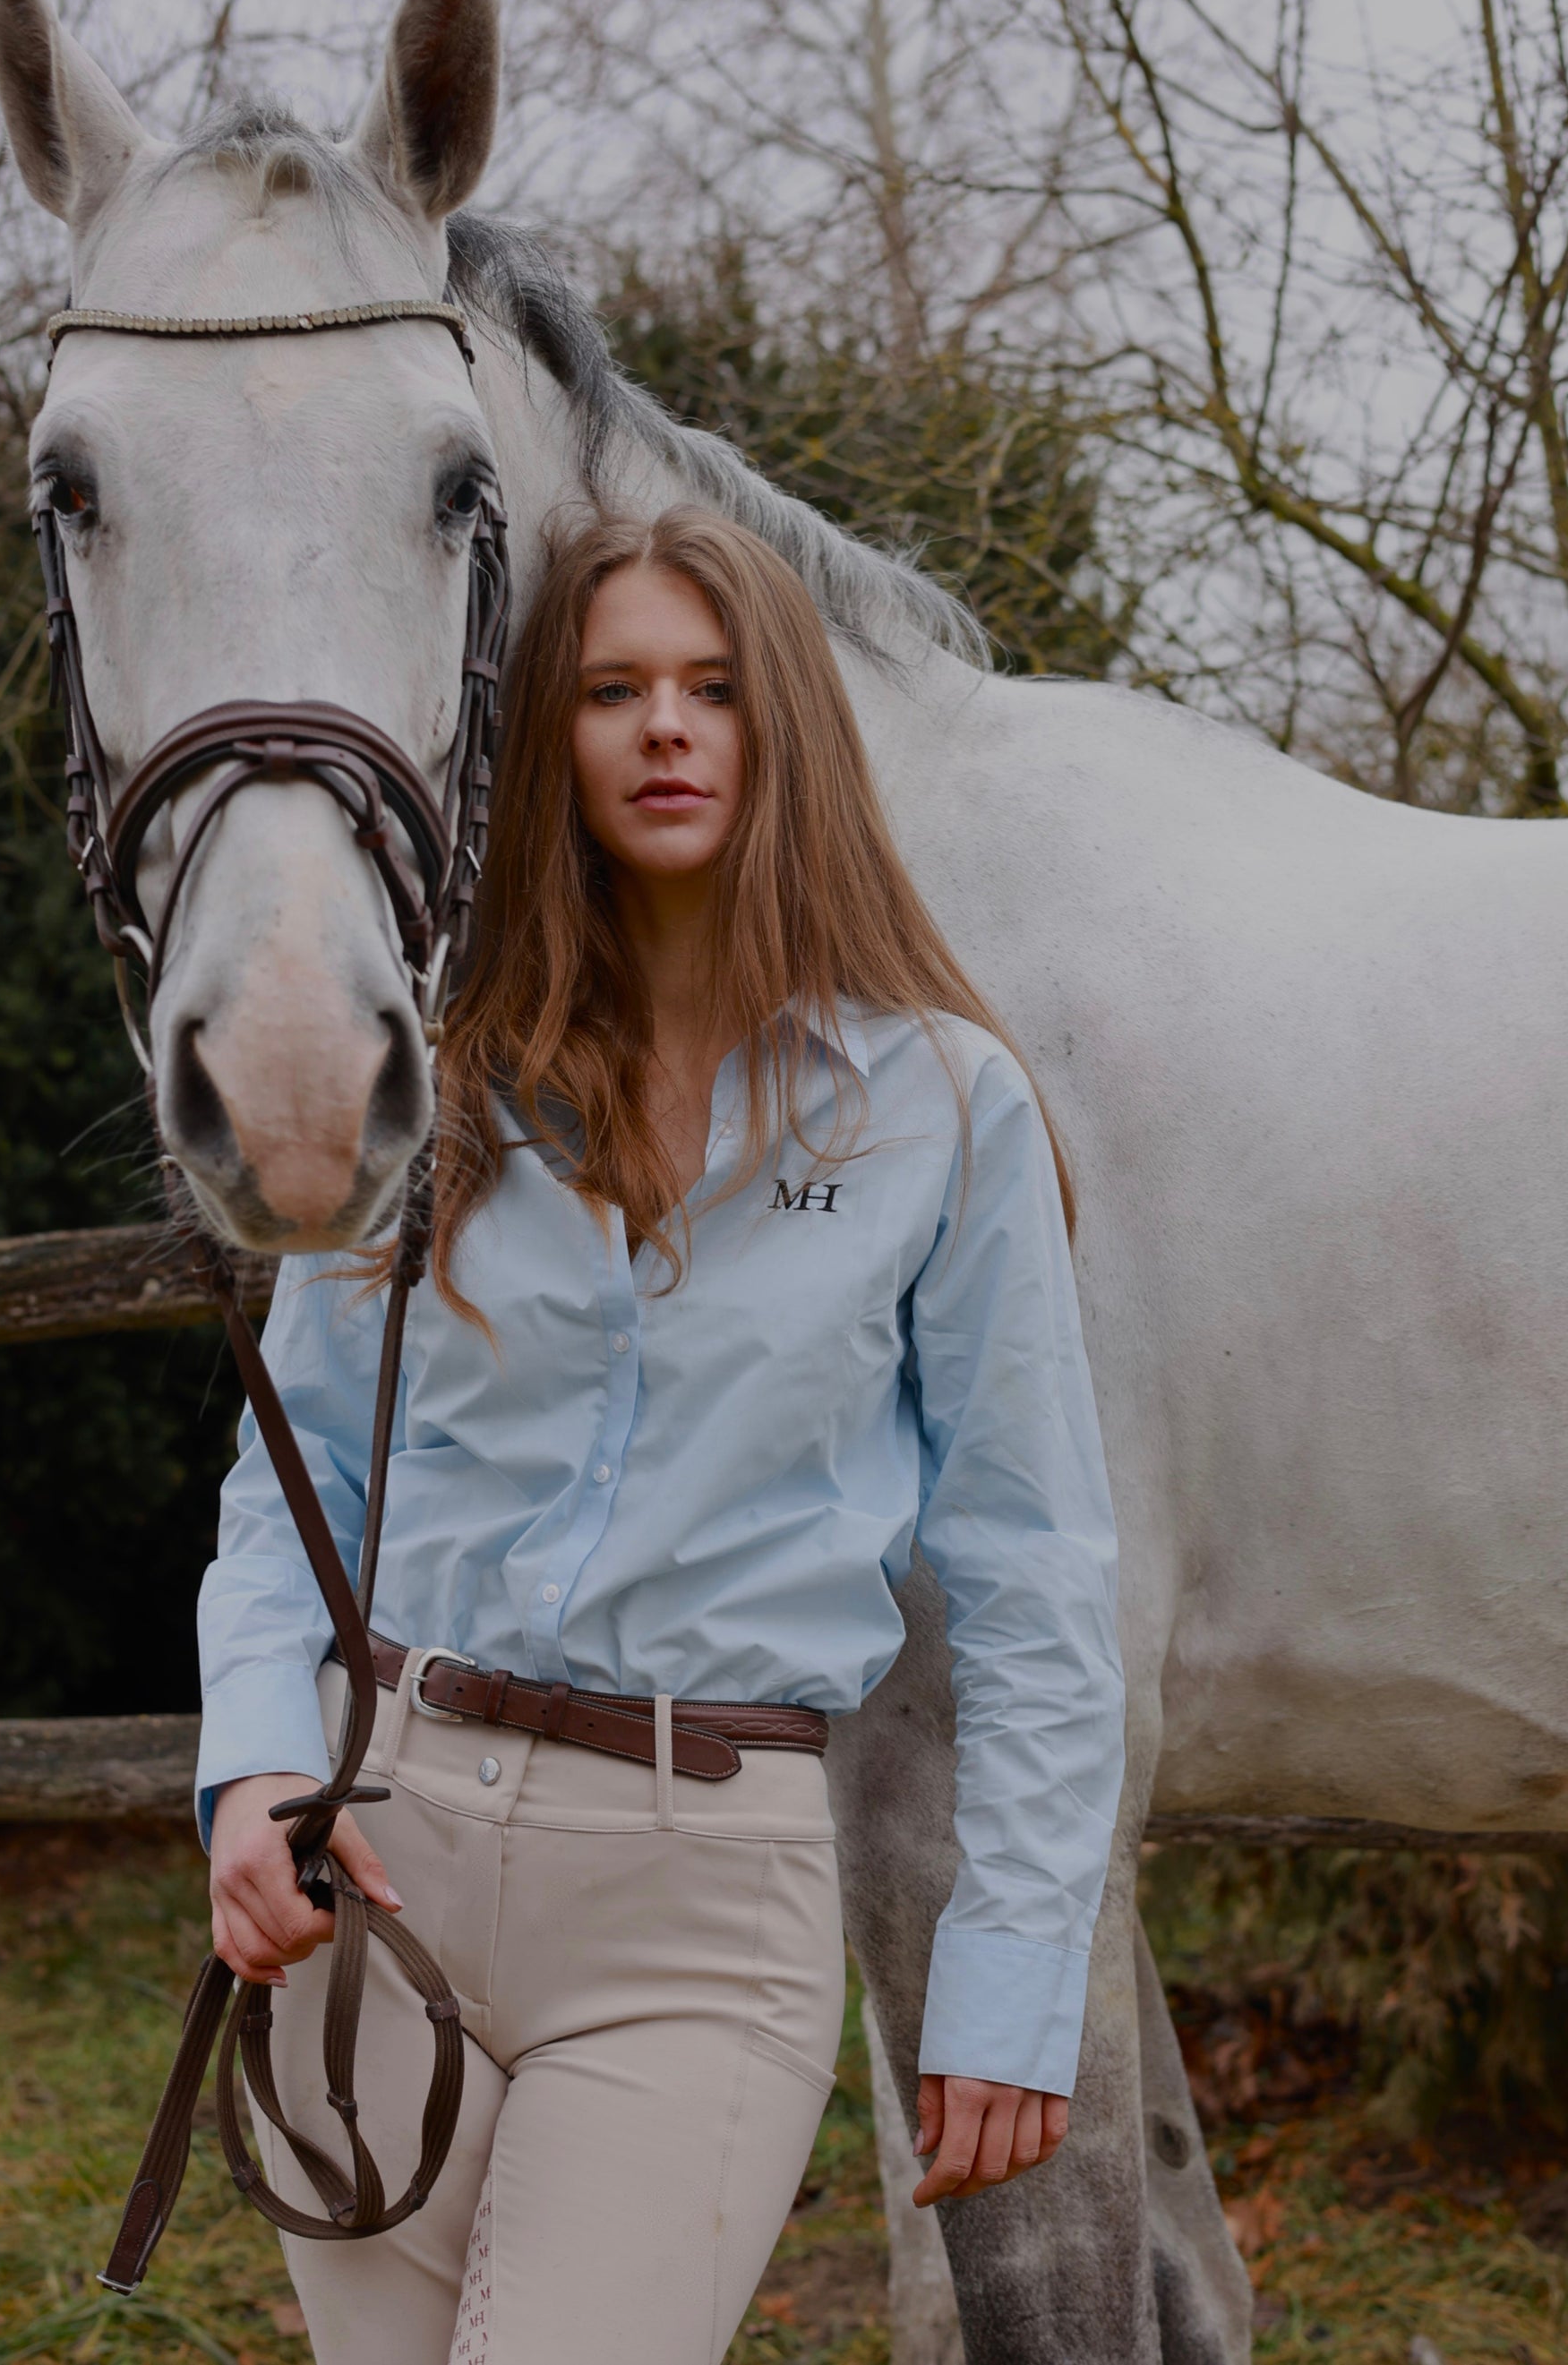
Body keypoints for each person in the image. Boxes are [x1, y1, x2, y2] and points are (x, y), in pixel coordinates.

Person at [195, 504, 1126, 2363]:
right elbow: (297, 1481)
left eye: (713, 687)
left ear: (787, 729)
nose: (667, 728)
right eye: (612, 689)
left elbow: (1035, 1578)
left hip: (702, 1903)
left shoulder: (945, 1106)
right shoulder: (433, 1077)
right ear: (549, 734)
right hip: (378, 1852)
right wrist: (251, 1765)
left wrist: (1013, 1974)